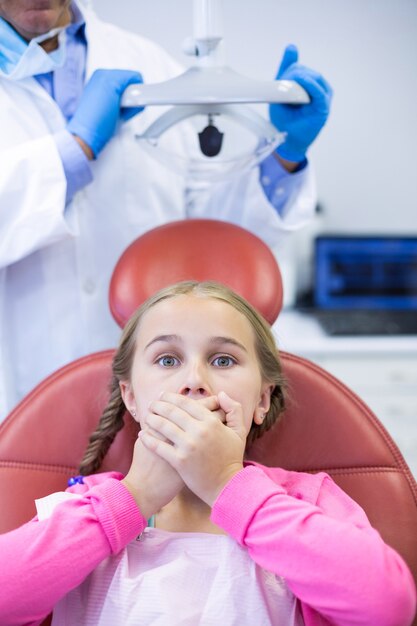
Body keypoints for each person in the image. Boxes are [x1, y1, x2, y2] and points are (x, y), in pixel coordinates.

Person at [0, 280, 415, 626]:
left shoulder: (305, 501)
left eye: (223, 359)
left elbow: (388, 607)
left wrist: (226, 484)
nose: (194, 380)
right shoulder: (87, 504)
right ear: (131, 397)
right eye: (167, 359)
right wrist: (134, 497)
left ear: (262, 400)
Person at [0, 0, 333, 419]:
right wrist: (76, 150)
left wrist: (283, 155)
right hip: (22, 388)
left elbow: (212, 236)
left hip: (165, 395)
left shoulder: (149, 65)